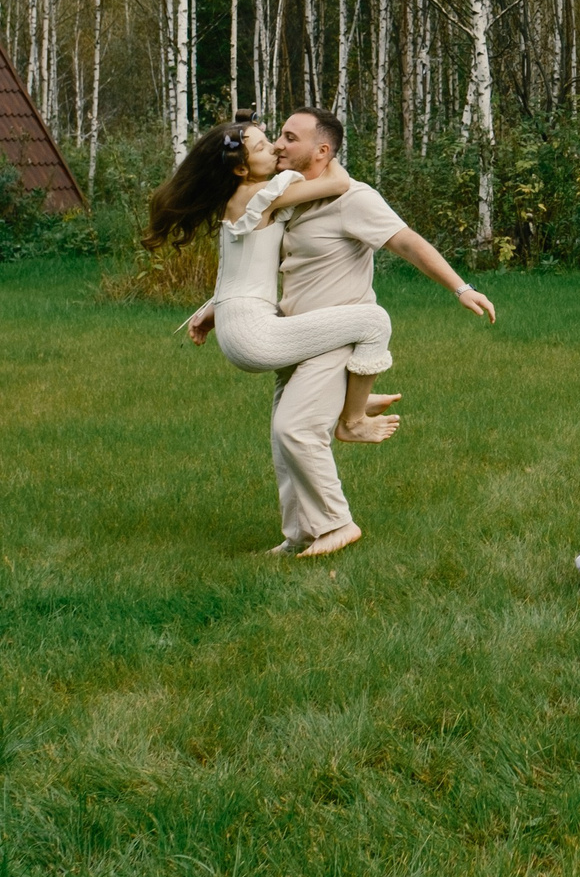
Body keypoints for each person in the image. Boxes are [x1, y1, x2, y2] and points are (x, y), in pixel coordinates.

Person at [189, 107, 496, 558]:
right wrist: (214, 309)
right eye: (275, 136)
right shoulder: (290, 198)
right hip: (292, 333)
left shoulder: (352, 198)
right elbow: (253, 268)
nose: (277, 144)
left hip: (334, 334)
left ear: (322, 150)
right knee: (283, 437)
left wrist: (460, 286)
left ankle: (336, 521)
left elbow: (405, 240)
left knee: (296, 429)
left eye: (289, 138)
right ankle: (299, 533)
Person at [146, 119, 397, 445]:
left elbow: (245, 270)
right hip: (254, 334)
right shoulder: (262, 193)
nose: (275, 147)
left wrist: (212, 311)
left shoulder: (239, 197)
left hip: (239, 323)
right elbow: (338, 183)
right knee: (375, 322)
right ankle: (353, 420)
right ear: (240, 170)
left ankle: (350, 400)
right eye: (262, 147)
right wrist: (325, 152)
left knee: (320, 340)